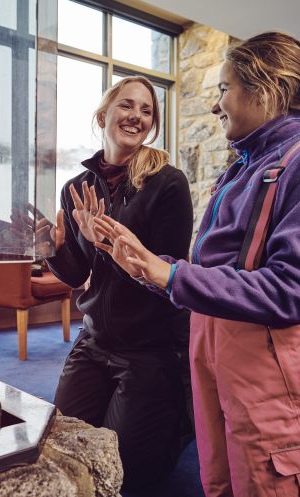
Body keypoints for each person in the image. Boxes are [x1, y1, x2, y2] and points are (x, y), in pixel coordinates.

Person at [94, 32, 300, 496]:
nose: (216, 106)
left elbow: (293, 291)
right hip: (216, 356)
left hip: (270, 375)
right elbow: (216, 270)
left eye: (222, 89)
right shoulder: (243, 167)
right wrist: (149, 266)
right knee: (220, 483)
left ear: (268, 88)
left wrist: (171, 274)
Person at [45, 75, 194, 491]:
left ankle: (176, 422)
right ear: (103, 116)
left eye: (147, 111)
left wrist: (109, 243)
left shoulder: (168, 182)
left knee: (125, 473)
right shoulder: (76, 188)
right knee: (62, 446)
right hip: (94, 341)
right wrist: (53, 247)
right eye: (127, 106)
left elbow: (166, 276)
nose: (136, 117)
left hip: (148, 349)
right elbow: (76, 275)